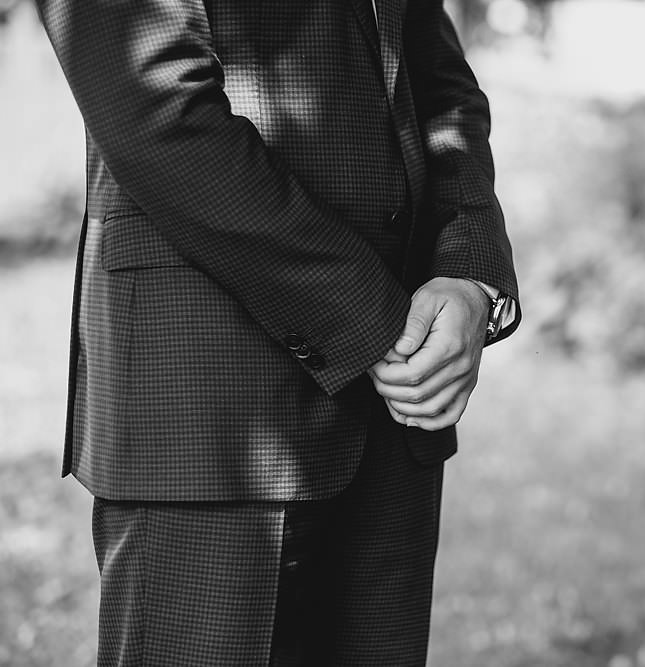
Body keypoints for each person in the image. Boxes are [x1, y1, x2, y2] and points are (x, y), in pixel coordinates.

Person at [35, 0, 520, 664]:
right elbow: (155, 109)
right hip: (210, 409)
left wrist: (468, 268)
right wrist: (371, 321)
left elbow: (438, 80)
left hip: (394, 414)